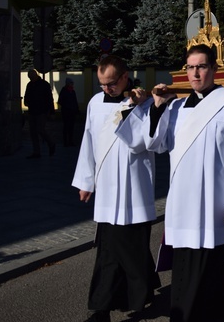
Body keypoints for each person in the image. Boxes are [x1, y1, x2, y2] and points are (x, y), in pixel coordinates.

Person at [122, 44, 224, 322]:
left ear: (213, 69)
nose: (195, 73)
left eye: (201, 66)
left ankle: (186, 316)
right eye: (190, 67)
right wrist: (158, 108)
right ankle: (216, 308)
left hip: (213, 198)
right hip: (182, 198)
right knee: (191, 264)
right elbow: (156, 143)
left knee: (203, 264)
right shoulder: (177, 106)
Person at [72, 55, 160, 322]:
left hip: (134, 185)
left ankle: (138, 296)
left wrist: (135, 106)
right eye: (101, 84)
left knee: (133, 247)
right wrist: (86, 181)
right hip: (108, 188)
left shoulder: (143, 104)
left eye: (110, 83)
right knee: (108, 251)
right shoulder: (95, 102)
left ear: (124, 77)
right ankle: (101, 309)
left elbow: (142, 142)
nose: (105, 89)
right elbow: (88, 141)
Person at [23, 69, 55, 158]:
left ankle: (51, 143)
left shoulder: (44, 85)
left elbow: (49, 99)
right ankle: (36, 152)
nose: (30, 78)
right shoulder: (30, 85)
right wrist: (27, 102)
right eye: (29, 77)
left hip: (42, 111)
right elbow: (27, 96)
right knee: (33, 132)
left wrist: (51, 112)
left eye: (31, 76)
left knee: (40, 129)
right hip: (32, 111)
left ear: (35, 75)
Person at [58, 77, 79, 146]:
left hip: (72, 112)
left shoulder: (72, 91)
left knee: (71, 127)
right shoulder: (64, 91)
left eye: (72, 83)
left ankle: (70, 141)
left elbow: (75, 101)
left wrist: (76, 109)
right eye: (71, 83)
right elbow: (60, 101)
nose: (72, 84)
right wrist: (67, 106)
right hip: (66, 112)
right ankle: (65, 142)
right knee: (66, 127)